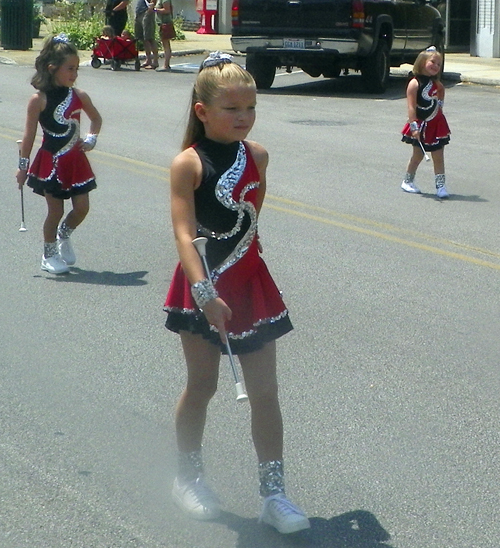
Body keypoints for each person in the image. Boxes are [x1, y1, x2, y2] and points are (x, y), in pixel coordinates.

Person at [163, 51, 310, 535]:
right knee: (202, 387)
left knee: (265, 393)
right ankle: (188, 478)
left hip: (250, 285)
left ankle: (274, 495)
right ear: (203, 111)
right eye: (232, 109)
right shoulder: (187, 164)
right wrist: (205, 292)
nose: (243, 117)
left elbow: (251, 218)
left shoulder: (259, 157)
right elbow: (185, 235)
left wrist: (240, 270)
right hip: (202, 285)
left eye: (250, 108)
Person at [15, 33, 102, 275]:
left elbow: (96, 119)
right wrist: (23, 167)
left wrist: (92, 138)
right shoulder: (38, 100)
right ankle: (49, 254)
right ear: (52, 68)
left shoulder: (79, 96)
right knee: (55, 210)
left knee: (82, 208)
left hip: (76, 161)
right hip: (51, 162)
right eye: (70, 69)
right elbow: (30, 136)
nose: (74, 74)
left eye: (76, 69)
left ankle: (65, 234)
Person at [400, 46, 451, 198]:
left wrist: (439, 107)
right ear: (422, 62)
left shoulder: (437, 84)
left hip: (436, 124)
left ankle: (440, 186)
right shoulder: (414, 83)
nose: (436, 66)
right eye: (433, 62)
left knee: (438, 155)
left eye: (439, 64)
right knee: (418, 155)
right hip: (421, 125)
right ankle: (407, 181)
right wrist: (414, 126)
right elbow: (411, 107)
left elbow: (441, 92)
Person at [135, 0, 159, 69]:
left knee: (150, 38)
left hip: (146, 12)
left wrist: (150, 9)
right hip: (139, 13)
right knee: (143, 38)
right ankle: (148, 59)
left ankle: (155, 61)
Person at [155, 0, 174, 72]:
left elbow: (167, 10)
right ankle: (166, 65)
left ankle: (166, 65)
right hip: (162, 23)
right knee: (165, 44)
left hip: (165, 23)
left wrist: (156, 10)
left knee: (166, 45)